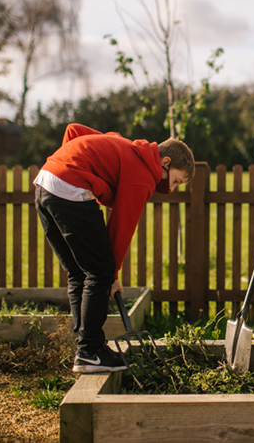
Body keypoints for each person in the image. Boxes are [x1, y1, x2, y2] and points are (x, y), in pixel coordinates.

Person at [33, 123, 194, 373]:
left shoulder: (124, 145)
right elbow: (121, 228)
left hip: (45, 182)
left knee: (79, 272)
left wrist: (68, 162)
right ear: (165, 162)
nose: (171, 189)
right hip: (70, 189)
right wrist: (112, 276)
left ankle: (85, 348)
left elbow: (74, 130)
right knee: (99, 272)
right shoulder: (143, 177)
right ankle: (90, 351)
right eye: (174, 181)